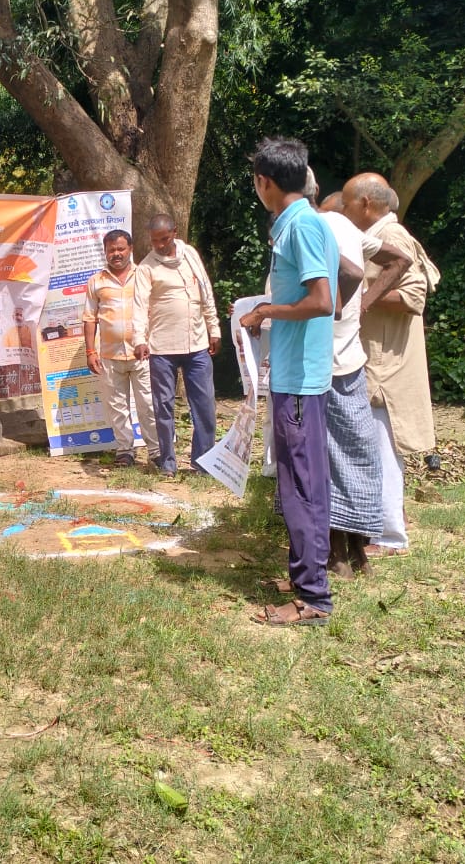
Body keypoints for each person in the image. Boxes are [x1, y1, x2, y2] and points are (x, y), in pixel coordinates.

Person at [240, 138, 339, 626]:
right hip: (299, 374)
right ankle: (307, 574)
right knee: (304, 480)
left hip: (300, 381)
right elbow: (343, 282)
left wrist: (266, 312)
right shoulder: (305, 223)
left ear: (265, 182)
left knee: (300, 485)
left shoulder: (301, 226)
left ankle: (313, 597)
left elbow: (322, 301)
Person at [312, 176, 411, 577]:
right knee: (357, 454)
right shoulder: (353, 230)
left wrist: (337, 306)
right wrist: (362, 305)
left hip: (326, 365)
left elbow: (352, 273)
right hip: (353, 362)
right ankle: (356, 551)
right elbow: (398, 261)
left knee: (328, 457)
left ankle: (339, 553)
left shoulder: (321, 226)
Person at [341, 173, 437, 555]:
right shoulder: (376, 235)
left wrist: (359, 295)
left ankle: (389, 536)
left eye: (347, 203)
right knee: (373, 446)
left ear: (365, 204)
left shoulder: (392, 237)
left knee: (382, 447)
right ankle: (384, 522)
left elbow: (414, 295)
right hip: (375, 356)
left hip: (386, 363)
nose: (343, 211)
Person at [132, 214, 220, 477]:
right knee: (163, 407)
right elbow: (139, 307)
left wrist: (214, 328)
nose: (159, 245)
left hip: (197, 344)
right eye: (154, 241)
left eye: (164, 239)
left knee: (204, 405)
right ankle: (168, 463)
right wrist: (139, 340)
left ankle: (203, 463)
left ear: (175, 233)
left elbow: (205, 291)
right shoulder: (146, 268)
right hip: (162, 348)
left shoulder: (190, 254)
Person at [82, 229, 159, 467]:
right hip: (110, 354)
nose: (116, 254)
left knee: (148, 404)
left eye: (121, 249)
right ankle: (125, 451)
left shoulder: (144, 275)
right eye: (111, 250)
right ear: (105, 252)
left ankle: (156, 451)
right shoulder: (96, 281)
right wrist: (90, 352)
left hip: (143, 354)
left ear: (130, 249)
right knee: (116, 406)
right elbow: (89, 318)